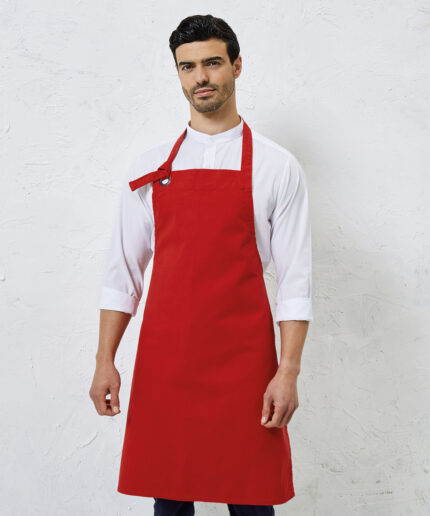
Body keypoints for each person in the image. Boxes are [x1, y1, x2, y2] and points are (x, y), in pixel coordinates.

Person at [89, 14, 313, 516]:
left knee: (251, 498)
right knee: (169, 499)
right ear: (178, 73)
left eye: (212, 63)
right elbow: (123, 275)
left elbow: (295, 283)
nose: (201, 77)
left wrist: (288, 371)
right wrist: (105, 360)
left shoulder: (277, 167)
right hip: (167, 363)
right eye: (187, 67)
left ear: (237, 66)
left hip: (245, 366)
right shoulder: (150, 169)